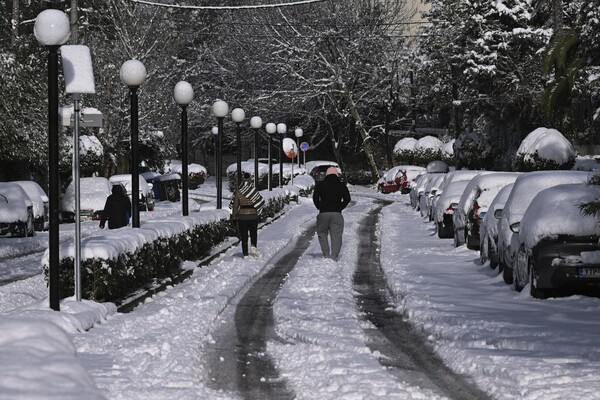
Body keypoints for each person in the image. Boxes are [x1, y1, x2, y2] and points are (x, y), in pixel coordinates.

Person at [312, 166, 351, 261]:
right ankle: (334, 256)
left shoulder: (321, 184)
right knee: (336, 235)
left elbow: (315, 198)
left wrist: (320, 207)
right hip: (337, 214)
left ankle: (326, 255)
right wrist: (340, 207)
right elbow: (347, 199)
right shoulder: (341, 185)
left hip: (323, 213)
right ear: (337, 174)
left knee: (322, 233)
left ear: (326, 174)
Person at [230, 172, 265, 259]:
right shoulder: (254, 190)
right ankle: (253, 249)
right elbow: (259, 202)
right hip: (253, 216)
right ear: (250, 180)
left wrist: (234, 218)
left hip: (242, 217)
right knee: (253, 233)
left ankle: (245, 254)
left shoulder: (238, 192)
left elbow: (235, 206)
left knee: (244, 236)